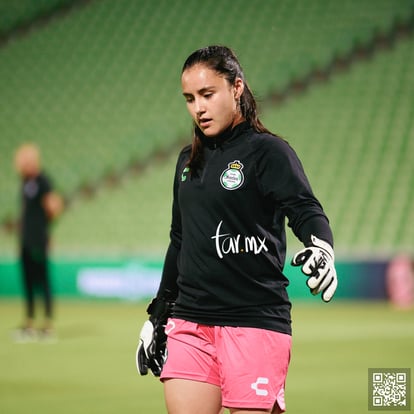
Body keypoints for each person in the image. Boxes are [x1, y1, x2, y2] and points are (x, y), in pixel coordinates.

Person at [136, 45, 338, 413]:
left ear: (237, 88)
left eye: (207, 94)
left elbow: (305, 209)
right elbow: (180, 241)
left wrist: (322, 246)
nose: (198, 107)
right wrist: (158, 314)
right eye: (189, 98)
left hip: (254, 321)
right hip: (191, 323)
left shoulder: (268, 152)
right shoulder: (187, 160)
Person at [14, 143, 63, 341]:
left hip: (38, 239)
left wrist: (45, 230)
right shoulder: (25, 183)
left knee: (43, 281)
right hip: (25, 239)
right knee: (28, 281)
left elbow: (54, 206)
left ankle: (47, 324)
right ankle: (29, 322)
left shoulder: (43, 181)